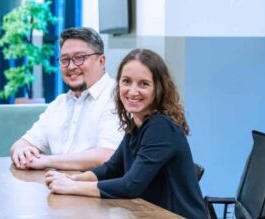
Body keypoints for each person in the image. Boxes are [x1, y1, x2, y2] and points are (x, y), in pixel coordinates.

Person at [44, 49, 208, 219]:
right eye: (126, 81)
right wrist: (74, 179)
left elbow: (130, 186)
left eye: (144, 84)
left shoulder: (161, 127)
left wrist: (71, 187)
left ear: (158, 88)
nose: (132, 91)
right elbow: (111, 168)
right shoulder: (137, 123)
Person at [10, 27, 124, 171]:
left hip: (97, 184)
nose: (71, 66)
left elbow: (108, 155)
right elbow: (22, 143)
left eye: (79, 58)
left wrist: (46, 161)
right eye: (65, 60)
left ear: (101, 61)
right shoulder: (59, 103)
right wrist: (21, 151)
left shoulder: (118, 96)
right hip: (56, 182)